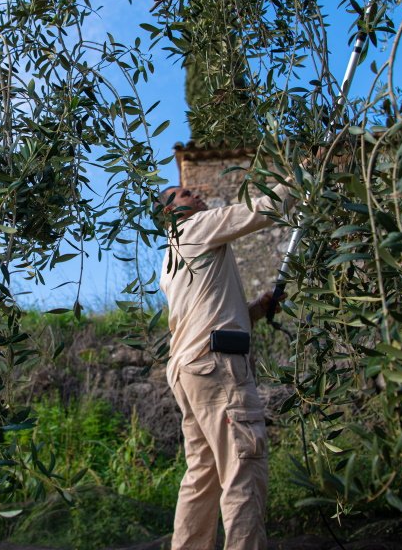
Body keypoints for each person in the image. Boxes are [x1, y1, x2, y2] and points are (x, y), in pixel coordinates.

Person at [159, 181, 293, 550]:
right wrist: (304, 175)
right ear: (171, 212)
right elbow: (260, 209)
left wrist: (256, 310)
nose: (197, 195)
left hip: (190, 371)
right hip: (216, 369)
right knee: (242, 468)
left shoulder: (171, 260)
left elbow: (208, 314)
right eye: (186, 195)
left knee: (202, 475)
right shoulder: (197, 228)